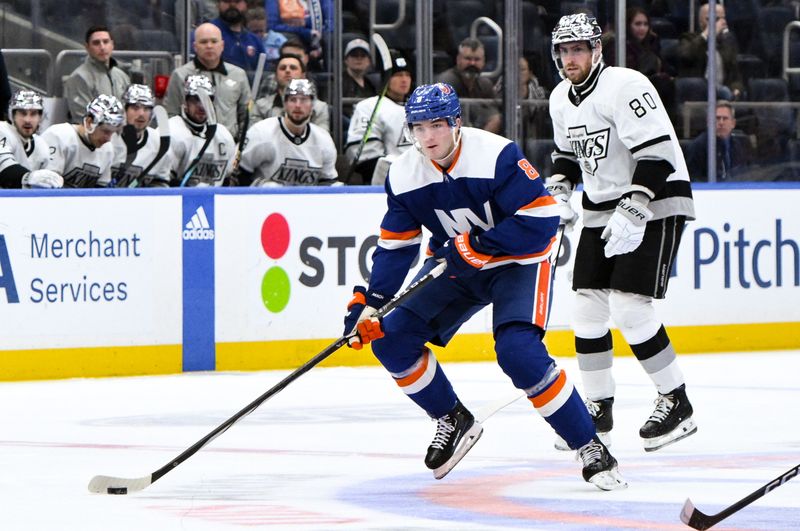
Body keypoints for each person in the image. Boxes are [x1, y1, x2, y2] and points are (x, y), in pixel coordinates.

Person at [342, 82, 626, 490]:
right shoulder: (403, 173)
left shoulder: (496, 154)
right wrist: (372, 303)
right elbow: (396, 245)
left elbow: (542, 220)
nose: (428, 137)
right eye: (418, 128)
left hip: (519, 261)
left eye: (436, 125)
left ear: (456, 123)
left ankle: (590, 445)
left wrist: (476, 246)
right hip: (457, 265)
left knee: (518, 353)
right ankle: (452, 419)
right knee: (390, 338)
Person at [545, 14, 697, 453]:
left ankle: (676, 400)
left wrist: (635, 208)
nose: (570, 58)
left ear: (596, 51)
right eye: (564, 50)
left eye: (578, 49)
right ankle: (597, 411)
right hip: (602, 206)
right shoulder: (559, 98)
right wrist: (559, 191)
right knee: (587, 309)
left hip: (657, 199)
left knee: (631, 308)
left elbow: (658, 154)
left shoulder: (626, 85)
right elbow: (566, 155)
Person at [238, 79, 338, 187]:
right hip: (265, 201)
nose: (298, 105)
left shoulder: (323, 139)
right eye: (293, 99)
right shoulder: (261, 132)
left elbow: (327, 181)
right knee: (271, 187)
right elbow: (239, 174)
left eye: (304, 100)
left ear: (312, 105)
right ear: (285, 104)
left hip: (307, 201)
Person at [164, 23, 250, 141]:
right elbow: (171, 114)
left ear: (222, 45)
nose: (209, 46)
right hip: (192, 145)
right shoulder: (180, 75)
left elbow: (246, 115)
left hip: (230, 146)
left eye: (214, 41)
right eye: (203, 42)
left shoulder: (238, 75)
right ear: (195, 46)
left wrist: (241, 144)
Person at [344, 50, 413, 185]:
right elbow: (366, 160)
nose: (404, 80)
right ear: (386, 78)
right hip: (384, 185)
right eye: (398, 75)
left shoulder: (420, 108)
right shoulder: (368, 107)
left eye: (407, 75)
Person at [41, 94, 123, 188]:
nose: (108, 139)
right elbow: (47, 185)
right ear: (89, 122)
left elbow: (100, 188)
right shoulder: (58, 136)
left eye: (112, 133)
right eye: (105, 131)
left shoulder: (107, 149)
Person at [168, 75, 236, 187]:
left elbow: (227, 179)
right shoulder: (172, 131)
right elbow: (163, 182)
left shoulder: (223, 135)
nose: (201, 106)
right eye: (195, 100)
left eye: (206, 100)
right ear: (185, 102)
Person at [675, 2, 743, 100]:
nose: (721, 23)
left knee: (726, 92)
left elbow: (735, 76)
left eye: (723, 18)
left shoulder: (727, 44)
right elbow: (686, 55)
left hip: (723, 96)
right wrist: (708, 33)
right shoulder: (688, 39)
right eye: (715, 19)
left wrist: (736, 90)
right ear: (702, 21)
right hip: (697, 95)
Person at [63, 26, 131, 123]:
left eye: (106, 42)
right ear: (87, 47)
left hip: (121, 135)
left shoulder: (122, 76)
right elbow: (84, 118)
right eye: (96, 43)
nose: (102, 47)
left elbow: (130, 112)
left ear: (112, 45)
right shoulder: (79, 78)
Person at [108, 84, 171, 187]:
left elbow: (160, 185)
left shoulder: (159, 142)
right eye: (135, 107)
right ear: (124, 110)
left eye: (146, 108)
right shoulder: (108, 137)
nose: (141, 113)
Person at [435, 38, 501, 134]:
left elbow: (495, 115)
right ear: (458, 60)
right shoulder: (446, 82)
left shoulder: (485, 84)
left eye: (477, 59)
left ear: (483, 62)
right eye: (468, 59)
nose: (472, 63)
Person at [251, 53, 330, 131]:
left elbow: (322, 138)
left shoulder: (319, 108)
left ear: (303, 76)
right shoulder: (260, 106)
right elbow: (256, 137)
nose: (287, 71)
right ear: (275, 76)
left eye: (293, 68)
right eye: (283, 68)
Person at [0, 90, 62, 189]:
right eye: (22, 113)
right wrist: (28, 177)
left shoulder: (41, 146)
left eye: (33, 114)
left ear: (40, 117)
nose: (27, 120)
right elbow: (4, 169)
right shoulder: (2, 130)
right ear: (12, 115)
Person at [686, 100, 753, 181]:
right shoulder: (698, 146)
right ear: (708, 122)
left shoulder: (741, 145)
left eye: (725, 118)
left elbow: (748, 174)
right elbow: (692, 178)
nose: (721, 122)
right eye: (717, 118)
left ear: (733, 123)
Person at [209, 0, 266, 79]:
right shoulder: (207, 34)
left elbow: (263, 74)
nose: (232, 5)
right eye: (227, 1)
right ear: (218, 4)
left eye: (237, 1)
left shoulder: (254, 41)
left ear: (246, 4)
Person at [342, 38, 378, 118]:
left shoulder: (371, 85)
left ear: (369, 61)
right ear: (346, 60)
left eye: (363, 55)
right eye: (354, 55)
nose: (359, 58)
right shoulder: (338, 83)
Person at [245, 7, 287, 72]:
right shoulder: (245, 41)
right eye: (255, 32)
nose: (258, 35)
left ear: (266, 26)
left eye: (261, 31)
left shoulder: (278, 39)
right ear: (247, 27)